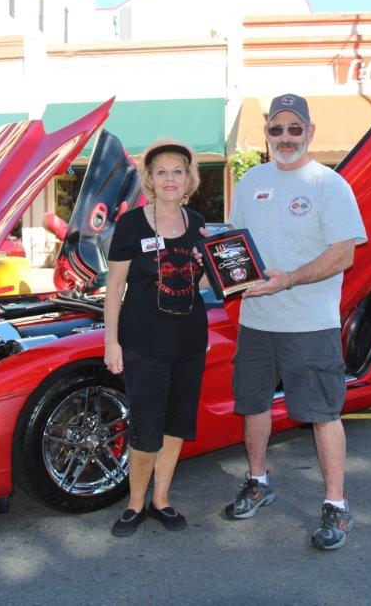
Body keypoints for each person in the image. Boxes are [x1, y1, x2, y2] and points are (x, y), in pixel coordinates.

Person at [222, 93, 367, 551]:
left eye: (294, 129)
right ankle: (258, 481)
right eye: (276, 129)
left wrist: (288, 280)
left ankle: (336, 504)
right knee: (253, 406)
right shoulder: (251, 182)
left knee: (323, 414)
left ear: (310, 132)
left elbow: (343, 255)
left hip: (310, 324)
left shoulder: (330, 184)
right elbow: (236, 242)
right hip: (257, 322)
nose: (285, 138)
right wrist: (216, 250)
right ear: (266, 133)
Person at [103, 140, 208, 537]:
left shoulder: (196, 223)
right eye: (161, 172)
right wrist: (111, 342)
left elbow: (198, 284)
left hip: (188, 342)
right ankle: (135, 504)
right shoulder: (131, 224)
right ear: (150, 179)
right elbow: (114, 288)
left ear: (188, 178)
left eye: (177, 171)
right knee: (146, 429)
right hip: (143, 343)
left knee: (176, 424)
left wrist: (206, 265)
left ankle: (161, 500)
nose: (170, 179)